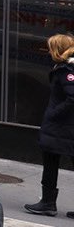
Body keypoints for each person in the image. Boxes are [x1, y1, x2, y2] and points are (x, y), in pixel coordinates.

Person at [25, 33, 74, 216]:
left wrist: (53, 114)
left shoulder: (65, 71)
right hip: (66, 127)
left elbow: (72, 97)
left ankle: (47, 203)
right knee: (53, 162)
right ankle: (47, 203)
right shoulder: (68, 68)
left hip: (61, 127)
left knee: (51, 163)